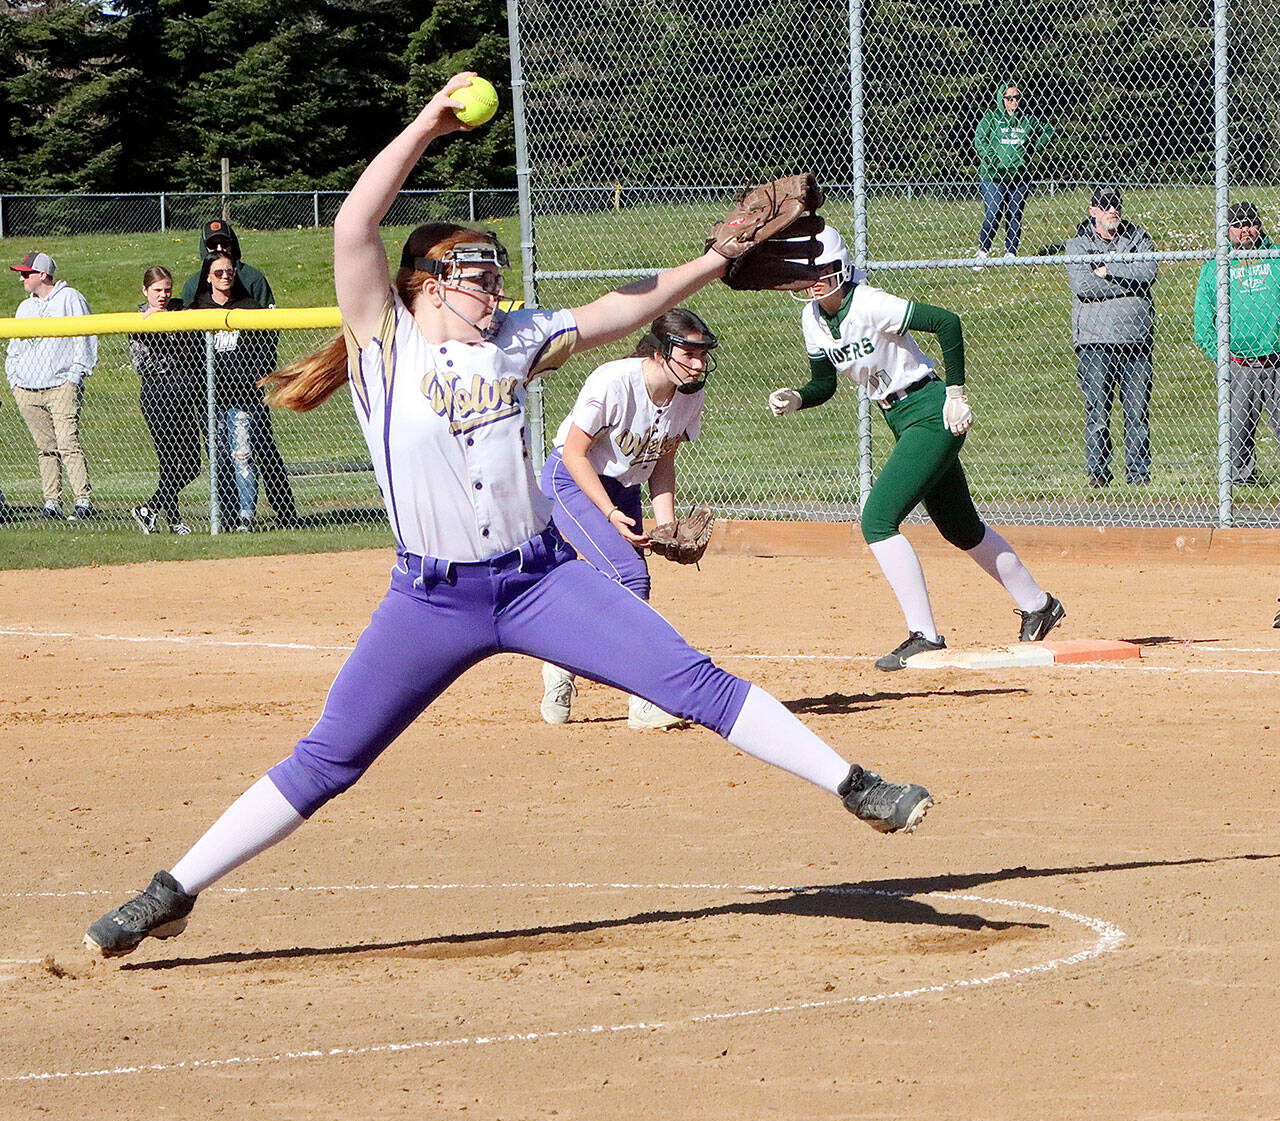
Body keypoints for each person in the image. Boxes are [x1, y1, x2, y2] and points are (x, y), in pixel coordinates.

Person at [83, 74, 933, 960]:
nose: (492, 290)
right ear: (425, 287)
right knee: (328, 759)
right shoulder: (384, 342)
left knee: (694, 681)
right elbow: (353, 226)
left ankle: (856, 784)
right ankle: (171, 891)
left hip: (539, 578)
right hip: (429, 600)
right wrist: (427, 122)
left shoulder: (516, 340)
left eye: (494, 276)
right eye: (473, 278)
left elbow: (628, 307)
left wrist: (716, 260)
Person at [768, 225, 1064, 671]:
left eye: (825, 269)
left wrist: (956, 392)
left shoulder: (868, 302)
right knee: (960, 528)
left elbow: (947, 321)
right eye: (808, 271)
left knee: (878, 519)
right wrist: (799, 397)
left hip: (930, 410)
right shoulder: (811, 318)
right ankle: (1039, 605)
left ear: (842, 267)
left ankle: (924, 634)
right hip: (900, 418)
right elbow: (825, 382)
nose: (815, 280)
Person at [539, 307, 719, 731]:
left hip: (625, 488)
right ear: (658, 352)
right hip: (572, 483)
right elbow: (573, 453)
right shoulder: (613, 380)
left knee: (614, 586)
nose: (697, 363)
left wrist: (667, 524)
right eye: (687, 352)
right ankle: (643, 698)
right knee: (630, 576)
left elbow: (662, 462)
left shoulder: (690, 394)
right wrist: (610, 512)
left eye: (702, 353)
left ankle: (560, 659)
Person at [188, 253, 298, 530]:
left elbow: (264, 351)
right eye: (218, 273)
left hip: (243, 398)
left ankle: (245, 516)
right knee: (220, 457)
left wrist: (250, 378)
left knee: (244, 455)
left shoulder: (249, 308)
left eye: (229, 271)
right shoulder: (197, 309)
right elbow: (181, 337)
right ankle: (225, 516)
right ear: (208, 277)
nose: (225, 276)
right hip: (211, 399)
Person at [1065, 186, 1157, 487]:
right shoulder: (1078, 245)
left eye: (1115, 204)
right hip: (1094, 340)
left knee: (1137, 413)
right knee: (1098, 413)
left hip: (1136, 338)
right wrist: (1128, 280)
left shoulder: (1138, 237)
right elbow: (1084, 287)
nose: (1111, 210)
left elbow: (1148, 272)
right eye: (1104, 206)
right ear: (1093, 211)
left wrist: (1109, 270)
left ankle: (1138, 475)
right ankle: (1099, 475)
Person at [4, 252, 97, 521]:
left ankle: (82, 500)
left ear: (42, 275)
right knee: (45, 448)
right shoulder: (25, 308)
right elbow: (15, 348)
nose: (21, 278)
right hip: (27, 388)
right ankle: (52, 502)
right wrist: (14, 381)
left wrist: (75, 377)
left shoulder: (70, 299)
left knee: (68, 443)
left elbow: (86, 337)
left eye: (26, 273)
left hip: (61, 385)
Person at [1193, 200, 1280, 485]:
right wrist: (1221, 356)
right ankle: (1242, 482)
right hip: (1239, 362)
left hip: (1275, 357)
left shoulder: (1275, 259)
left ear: (1259, 226)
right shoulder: (1216, 266)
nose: (1245, 231)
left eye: (1250, 224)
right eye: (1238, 225)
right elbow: (1204, 321)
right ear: (1228, 230)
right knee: (1238, 429)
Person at [128, 266, 204, 534]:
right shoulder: (139, 318)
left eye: (167, 290)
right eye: (157, 290)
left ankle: (150, 508)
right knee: (169, 461)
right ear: (145, 290)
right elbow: (141, 363)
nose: (163, 295)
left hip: (184, 394)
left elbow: (193, 347)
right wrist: (156, 325)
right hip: (157, 394)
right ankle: (173, 520)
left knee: (192, 463)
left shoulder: (181, 311)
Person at [973, 83, 1053, 265]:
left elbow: (1048, 130)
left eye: (1017, 97)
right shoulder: (991, 119)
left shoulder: (1027, 120)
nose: (1014, 101)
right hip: (994, 175)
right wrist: (993, 160)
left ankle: (1011, 252)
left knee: (1015, 214)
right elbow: (980, 140)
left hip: (1019, 176)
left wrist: (1032, 147)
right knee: (993, 212)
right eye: (1010, 98)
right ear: (1002, 99)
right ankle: (983, 251)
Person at [181, 219, 274, 310]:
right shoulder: (192, 285)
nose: (219, 248)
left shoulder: (253, 279)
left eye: (225, 243)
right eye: (212, 245)